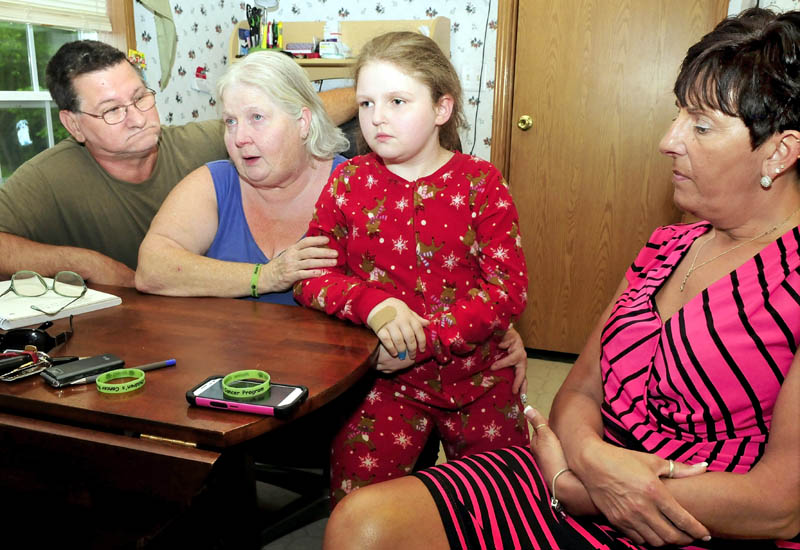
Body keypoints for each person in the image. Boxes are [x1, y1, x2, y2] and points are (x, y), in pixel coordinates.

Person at [323, 7, 800, 550]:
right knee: (359, 525)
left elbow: (781, 506)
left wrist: (580, 491)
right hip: (575, 467)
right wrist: (589, 459)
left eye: (701, 124)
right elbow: (577, 390)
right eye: (678, 115)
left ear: (780, 151)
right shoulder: (668, 245)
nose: (668, 140)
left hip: (696, 516)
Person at [293, 31, 531, 507]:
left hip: (477, 377)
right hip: (380, 382)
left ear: (442, 109)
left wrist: (425, 340)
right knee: (356, 510)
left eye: (397, 101)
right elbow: (310, 276)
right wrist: (375, 305)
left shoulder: (480, 184)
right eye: (366, 103)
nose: (377, 117)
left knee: (506, 504)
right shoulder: (349, 181)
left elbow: (507, 289)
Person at [0, 39, 355, 286]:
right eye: (112, 111)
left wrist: (373, 97)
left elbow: (292, 113)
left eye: (140, 97)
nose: (137, 118)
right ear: (73, 124)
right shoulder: (48, 178)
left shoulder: (202, 142)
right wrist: (84, 263)